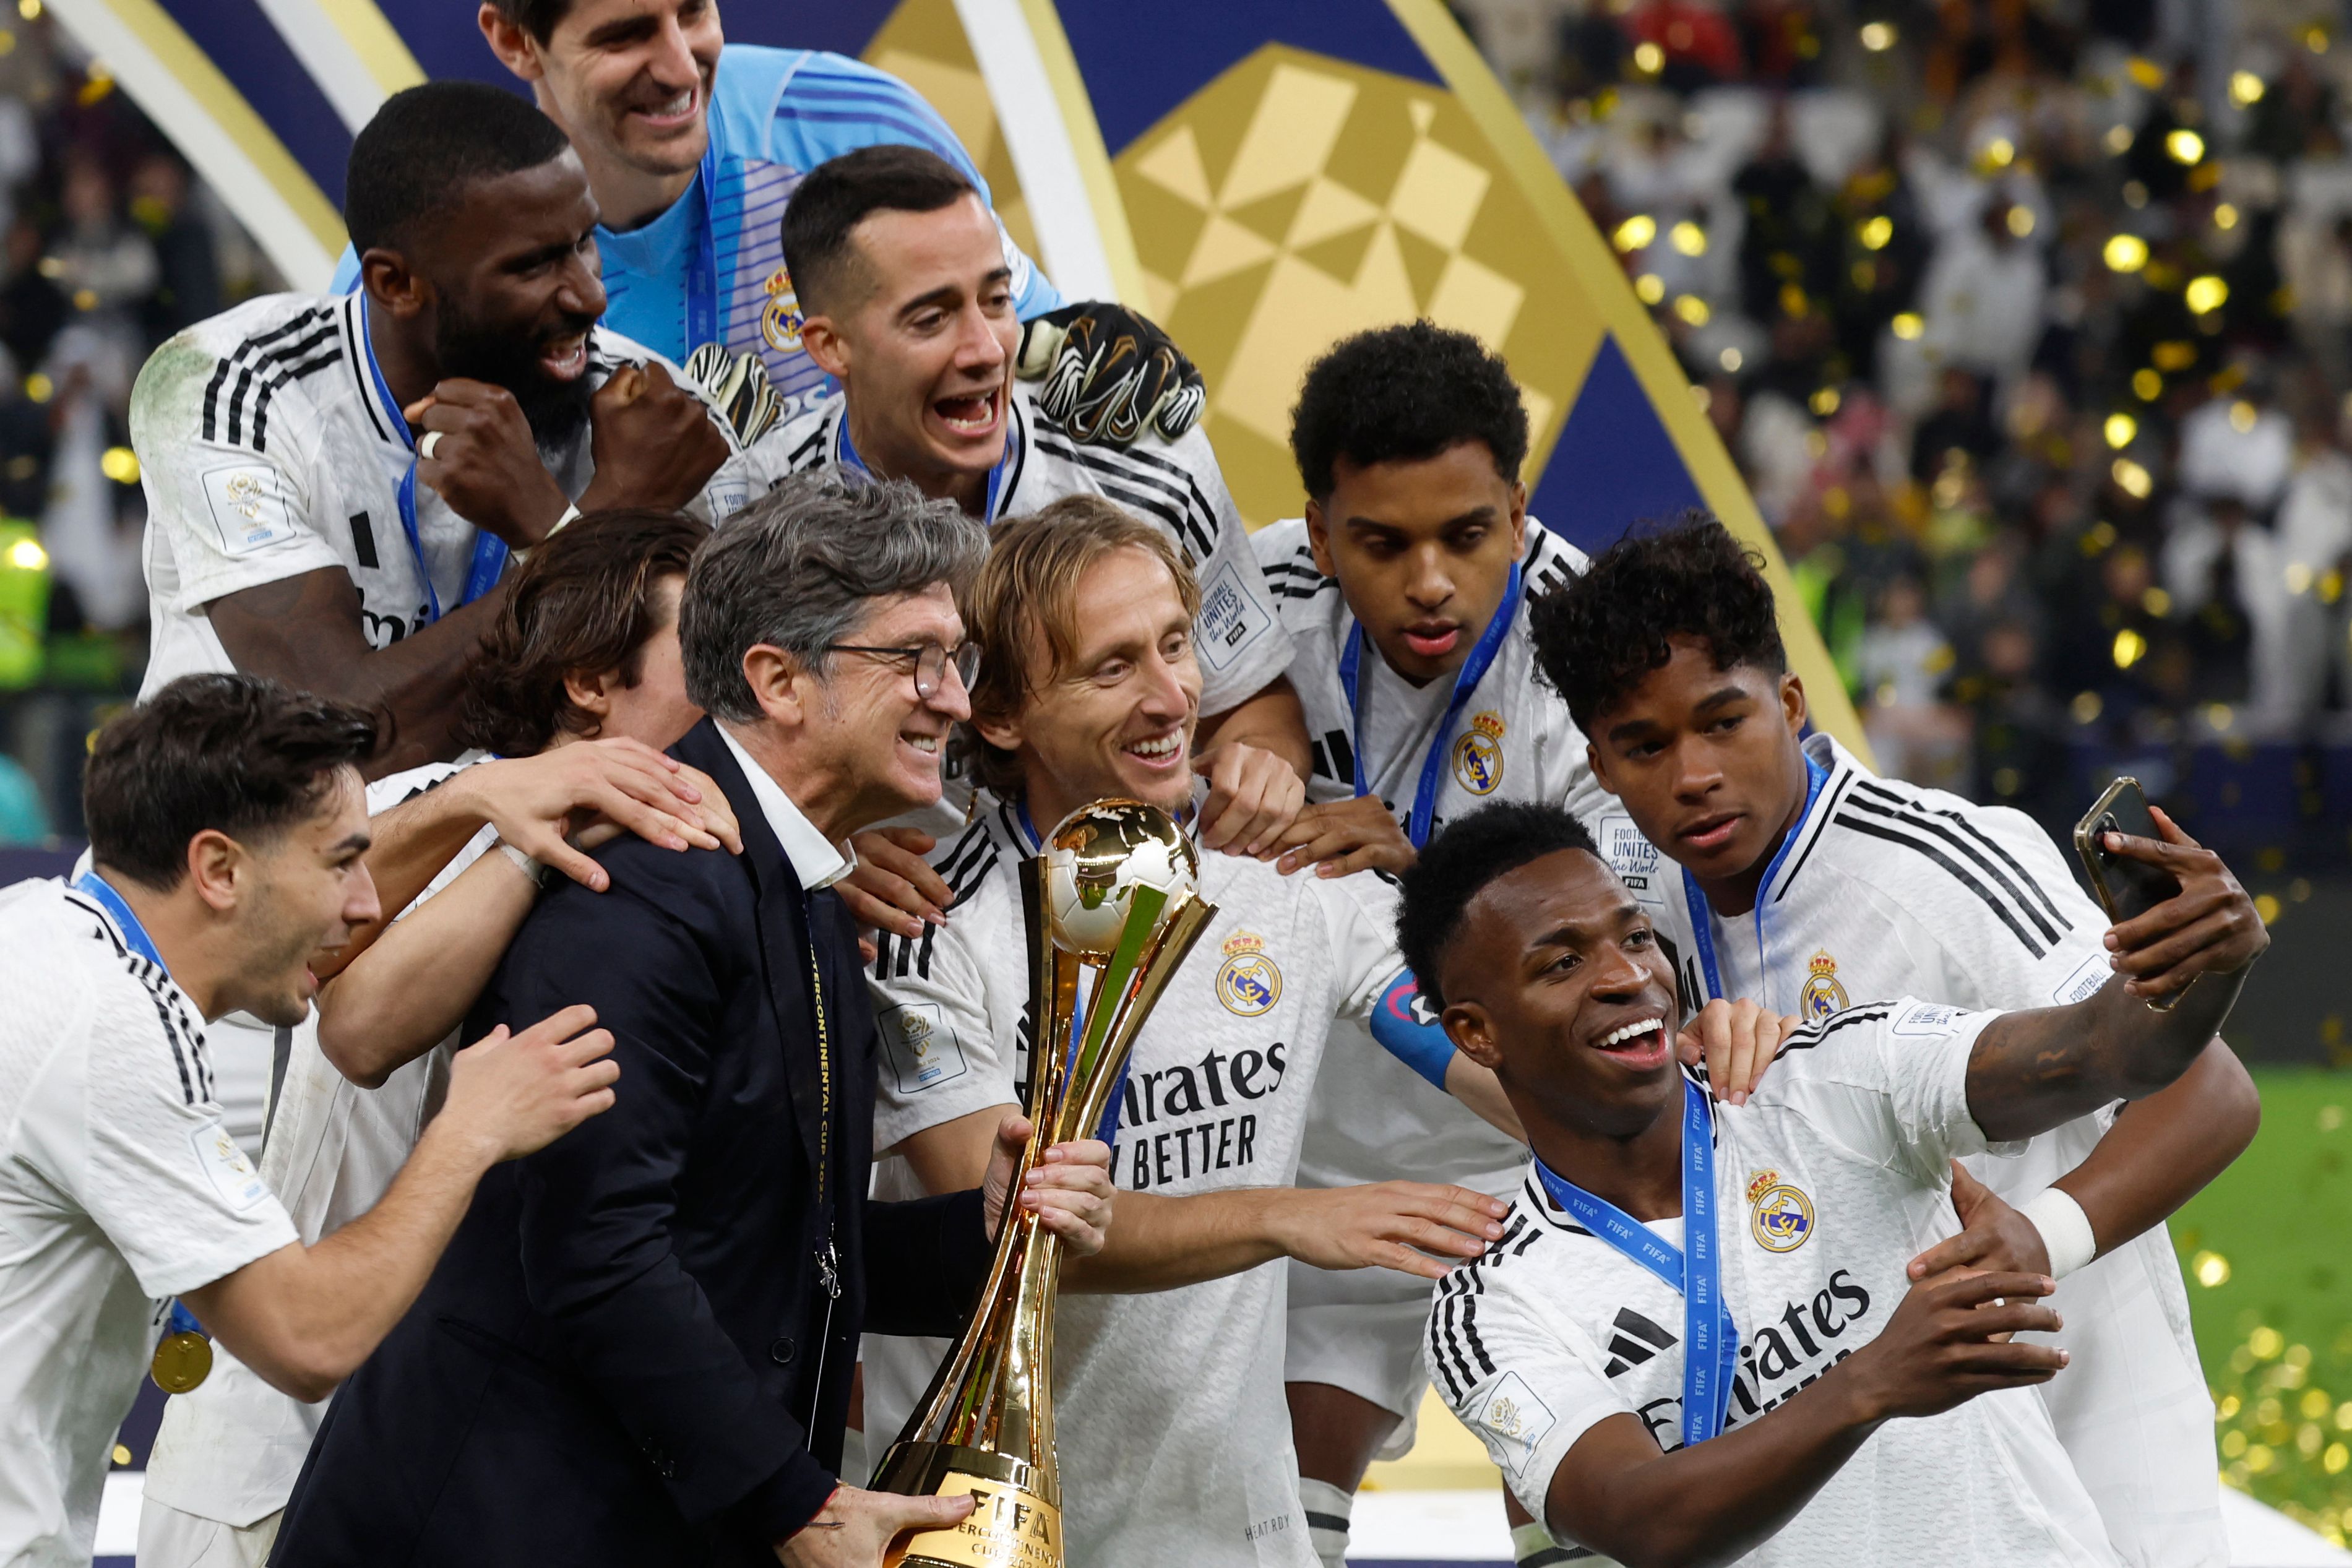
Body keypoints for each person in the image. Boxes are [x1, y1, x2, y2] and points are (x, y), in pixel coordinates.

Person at [858, 499, 1781, 1567]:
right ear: (1005, 711)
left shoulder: (1289, 879)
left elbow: (1503, 1069)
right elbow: (1009, 1233)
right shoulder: (927, 928)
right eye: (1112, 669)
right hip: (977, 1523)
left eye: (1175, 645)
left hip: (1234, 1534)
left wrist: (1689, 1058)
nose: (1172, 698)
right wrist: (1297, 1216)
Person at [272, 475, 1118, 1568]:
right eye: (913, 657)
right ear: (776, 677)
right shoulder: (646, 886)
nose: (952, 698)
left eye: (954, 660)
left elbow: (769, 1248)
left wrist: (985, 1233)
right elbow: (597, 1251)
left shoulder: (794, 876)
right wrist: (798, 1503)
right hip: (499, 1524)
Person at [1528, 514, 2259, 1567]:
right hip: (1869, 1425)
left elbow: (2212, 1092)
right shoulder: (1627, 904)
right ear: (1599, 758)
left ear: (1788, 703)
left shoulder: (1943, 862)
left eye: (1722, 721)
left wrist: (2037, 1236)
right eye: (1644, 745)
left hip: (2082, 1388)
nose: (1691, 773)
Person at [1403, 797, 2268, 1568]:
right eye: (1561, 964)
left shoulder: (1831, 1079)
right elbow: (1642, 1522)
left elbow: (2110, 1050)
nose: (1627, 977)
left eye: (1634, 937)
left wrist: (2199, 967)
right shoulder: (1491, 1302)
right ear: (1475, 1032)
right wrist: (1868, 1382)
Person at [135, 509, 728, 1568]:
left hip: (476, 1457)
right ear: (591, 680)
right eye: (706, 647)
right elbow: (356, 1027)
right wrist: (519, 833)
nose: (732, 683)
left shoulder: (698, 862)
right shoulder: (425, 802)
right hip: (276, 1445)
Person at [0, 674, 620, 1567]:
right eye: (340, 862)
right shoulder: (113, 1031)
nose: (366, 903)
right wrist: (468, 1130)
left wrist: (475, 798)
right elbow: (309, 1337)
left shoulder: (45, 934)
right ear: (219, 870)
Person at [1251, 322, 1606, 1568]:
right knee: (1284, 1513)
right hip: (1322, 1156)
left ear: (1517, 508)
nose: (1430, 583)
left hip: (1544, 1155)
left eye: (1466, 535)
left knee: (1590, 1498)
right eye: (1381, 543)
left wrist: (1418, 865)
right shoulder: (1241, 615)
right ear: (1315, 530)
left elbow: (1620, 925)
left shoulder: (1593, 646)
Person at [132, 80, 736, 776]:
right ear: (396, 285)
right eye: (533, 265)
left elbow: (731, 708)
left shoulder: (650, 416)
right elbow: (336, 746)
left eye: (583, 244)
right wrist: (602, 523)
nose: (589, 294)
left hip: (520, 864)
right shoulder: (229, 385)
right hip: (247, 852)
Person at [741, 145, 1308, 844]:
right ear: (829, 346)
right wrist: (814, 852)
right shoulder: (749, 515)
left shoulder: (1148, 460)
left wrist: (1259, 778)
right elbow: (708, 766)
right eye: (931, 318)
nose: (985, 348)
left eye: (997, 300)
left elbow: (1256, 711)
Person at [332, 0, 1199, 449]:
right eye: (628, 35)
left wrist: (1068, 343)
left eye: (695, 13)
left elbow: (1034, 356)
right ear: (514, 41)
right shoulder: (431, 253)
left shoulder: (846, 120)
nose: (680, 68)